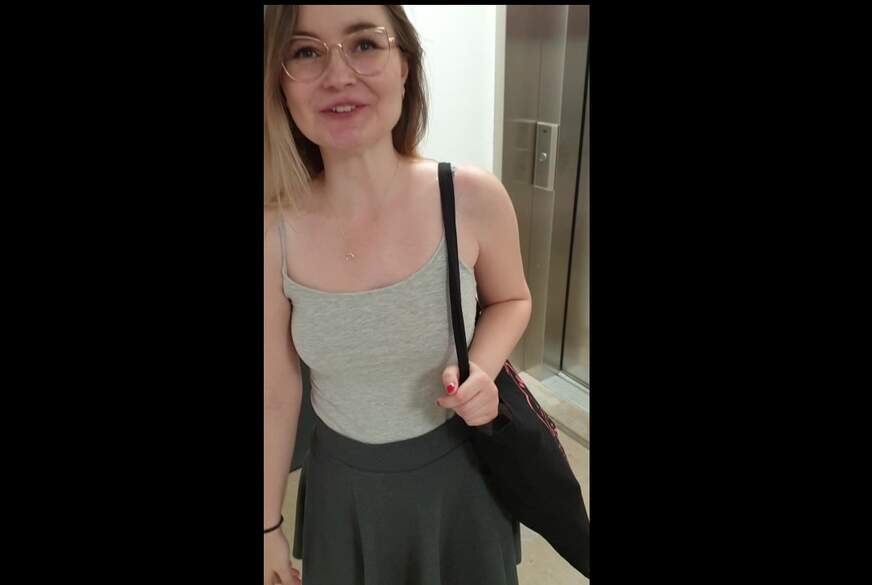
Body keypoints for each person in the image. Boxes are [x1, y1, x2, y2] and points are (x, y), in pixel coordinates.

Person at [263, 5, 532, 584]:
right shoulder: (273, 234)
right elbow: (275, 393)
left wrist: (480, 369)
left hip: (460, 481)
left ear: (405, 65)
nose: (338, 75)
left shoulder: (470, 197)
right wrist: (266, 527)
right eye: (305, 51)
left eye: (364, 44)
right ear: (280, 83)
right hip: (343, 493)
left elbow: (512, 300)